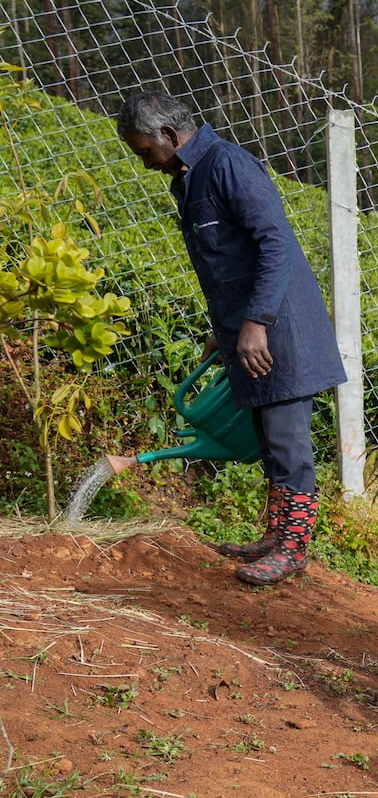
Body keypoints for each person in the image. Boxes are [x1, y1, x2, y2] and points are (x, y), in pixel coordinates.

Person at [117, 91, 346, 585]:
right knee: (267, 441)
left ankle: (294, 548)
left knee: (288, 443)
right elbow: (228, 267)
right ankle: (276, 536)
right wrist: (224, 332)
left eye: (144, 151)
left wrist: (256, 322)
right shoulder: (190, 177)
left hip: (279, 330)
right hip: (250, 331)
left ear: (169, 136)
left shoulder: (228, 166)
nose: (145, 163)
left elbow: (276, 244)